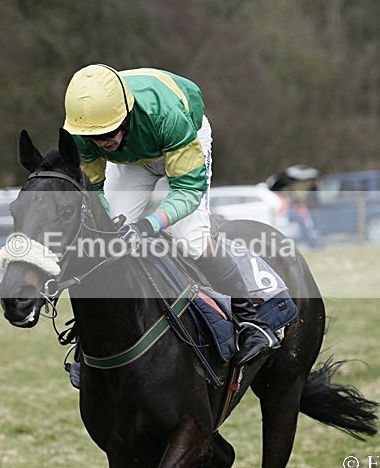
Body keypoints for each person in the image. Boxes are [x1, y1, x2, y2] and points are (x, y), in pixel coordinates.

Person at [63, 64, 279, 367]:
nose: (102, 143)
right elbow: (95, 191)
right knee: (105, 241)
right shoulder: (82, 129)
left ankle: (252, 322)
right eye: (94, 137)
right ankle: (91, 338)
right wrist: (110, 224)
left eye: (109, 133)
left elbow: (187, 191)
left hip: (180, 141)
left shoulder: (167, 116)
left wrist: (147, 225)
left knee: (190, 240)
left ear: (126, 114)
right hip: (132, 162)